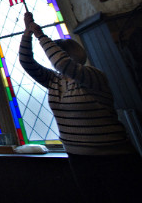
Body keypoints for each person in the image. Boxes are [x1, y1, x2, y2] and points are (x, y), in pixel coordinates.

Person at [19, 12, 142, 202]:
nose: (55, 60)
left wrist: (40, 35)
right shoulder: (55, 80)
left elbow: (62, 63)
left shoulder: (93, 76)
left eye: (59, 51)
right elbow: (27, 63)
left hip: (113, 160)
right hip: (79, 158)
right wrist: (27, 33)